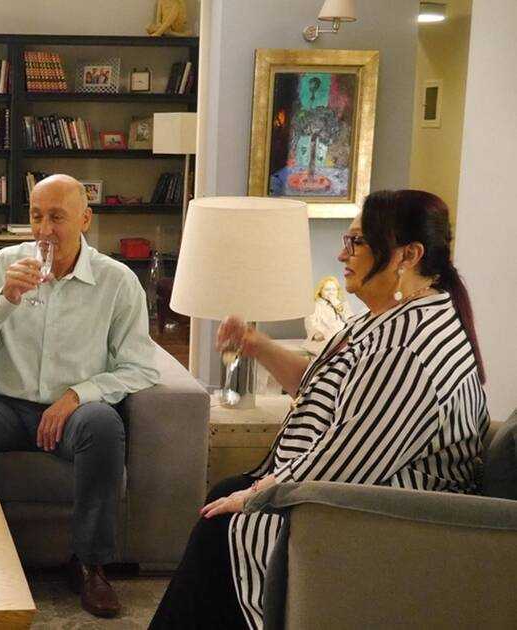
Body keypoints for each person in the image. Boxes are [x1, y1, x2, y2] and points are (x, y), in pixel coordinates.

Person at [150, 189, 488, 629]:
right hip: (355, 493)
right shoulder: (385, 320)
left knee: (225, 526)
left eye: (357, 242)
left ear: (409, 255)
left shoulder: (409, 350)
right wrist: (256, 344)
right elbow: (319, 389)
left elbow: (346, 464)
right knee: (224, 501)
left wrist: (258, 494)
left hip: (392, 520)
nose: (342, 253)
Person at [0, 174, 160, 618]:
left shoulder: (116, 281)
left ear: (85, 219)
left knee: (103, 423)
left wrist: (76, 396)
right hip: (4, 406)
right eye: (36, 217)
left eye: (57, 217)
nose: (45, 230)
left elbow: (140, 366)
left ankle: (90, 564)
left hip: (73, 413)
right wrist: (5, 299)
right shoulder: (1, 265)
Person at [302, 274, 353, 354]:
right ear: (320, 291)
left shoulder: (342, 305)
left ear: (338, 291)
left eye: (334, 289)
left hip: (342, 338)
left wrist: (338, 306)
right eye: (327, 289)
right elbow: (310, 324)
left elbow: (351, 321)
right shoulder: (315, 306)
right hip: (323, 339)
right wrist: (316, 334)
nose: (331, 292)